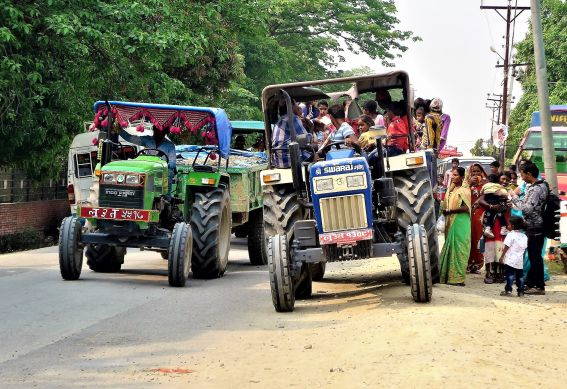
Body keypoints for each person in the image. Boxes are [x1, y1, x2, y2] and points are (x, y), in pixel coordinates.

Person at [510, 162, 548, 295]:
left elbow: (527, 208)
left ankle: (538, 286)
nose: (521, 177)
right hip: (536, 225)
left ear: (529, 174)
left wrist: (513, 197)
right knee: (534, 256)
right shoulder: (542, 185)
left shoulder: (536, 189)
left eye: (522, 174)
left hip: (534, 226)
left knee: (535, 257)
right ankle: (532, 283)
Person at [439, 167, 471, 286]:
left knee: (460, 248)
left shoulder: (464, 190)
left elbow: (466, 208)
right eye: (452, 175)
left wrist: (450, 211)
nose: (452, 177)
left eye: (456, 175)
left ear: (462, 177)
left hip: (461, 221)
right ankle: (448, 277)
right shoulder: (450, 190)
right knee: (451, 248)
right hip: (451, 220)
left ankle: (458, 279)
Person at [120, 125, 176, 189]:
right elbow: (130, 138)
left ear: (165, 133)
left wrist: (164, 165)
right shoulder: (147, 140)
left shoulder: (170, 145)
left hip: (161, 169)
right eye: (157, 131)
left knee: (169, 173)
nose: (159, 134)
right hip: (148, 168)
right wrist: (118, 130)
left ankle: (166, 197)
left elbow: (172, 163)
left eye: (162, 132)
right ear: (154, 131)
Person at [271, 103, 309, 168]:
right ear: (291, 106)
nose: (298, 107)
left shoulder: (279, 121)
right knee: (314, 153)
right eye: (296, 104)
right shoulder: (292, 118)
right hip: (290, 160)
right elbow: (306, 139)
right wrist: (311, 129)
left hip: (278, 161)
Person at [499, 216, 528, 297]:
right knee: (520, 277)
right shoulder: (524, 236)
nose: (507, 226)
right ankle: (521, 291)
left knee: (510, 275)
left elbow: (506, 247)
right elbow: (524, 248)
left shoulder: (510, 235)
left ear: (512, 226)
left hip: (510, 260)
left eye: (509, 224)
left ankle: (508, 290)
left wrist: (502, 257)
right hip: (519, 261)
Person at [467, 163, 488, 274]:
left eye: (478, 171)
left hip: (480, 213)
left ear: (482, 172)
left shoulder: (486, 184)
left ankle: (477, 263)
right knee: (468, 237)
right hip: (467, 213)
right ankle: (468, 263)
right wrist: (469, 184)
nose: (476, 173)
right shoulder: (466, 183)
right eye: (473, 171)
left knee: (478, 237)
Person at [479, 173, 509, 239]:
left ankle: (488, 228)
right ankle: (503, 228)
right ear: (498, 180)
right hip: (498, 208)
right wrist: (492, 206)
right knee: (500, 216)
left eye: (507, 179)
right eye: (503, 179)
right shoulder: (500, 187)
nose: (505, 181)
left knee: (489, 216)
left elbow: (481, 192)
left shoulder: (486, 186)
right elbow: (480, 201)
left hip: (492, 208)